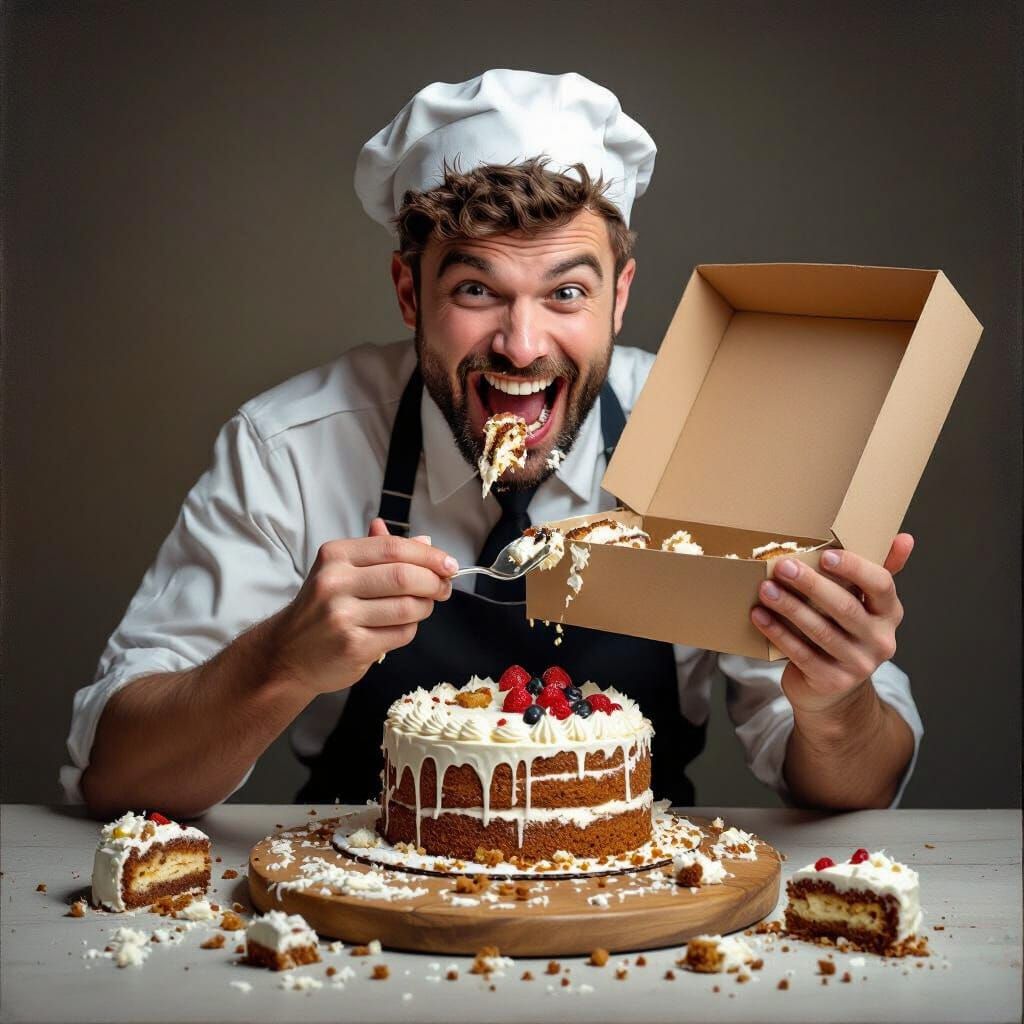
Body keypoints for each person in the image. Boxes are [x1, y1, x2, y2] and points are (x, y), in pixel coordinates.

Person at [64, 70, 919, 819]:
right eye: (477, 287)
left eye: (565, 293)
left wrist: (836, 701)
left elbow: (859, 787)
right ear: (409, 290)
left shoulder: (715, 436)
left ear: (619, 296)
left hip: (642, 915)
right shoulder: (289, 448)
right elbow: (116, 776)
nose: (520, 345)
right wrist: (278, 659)